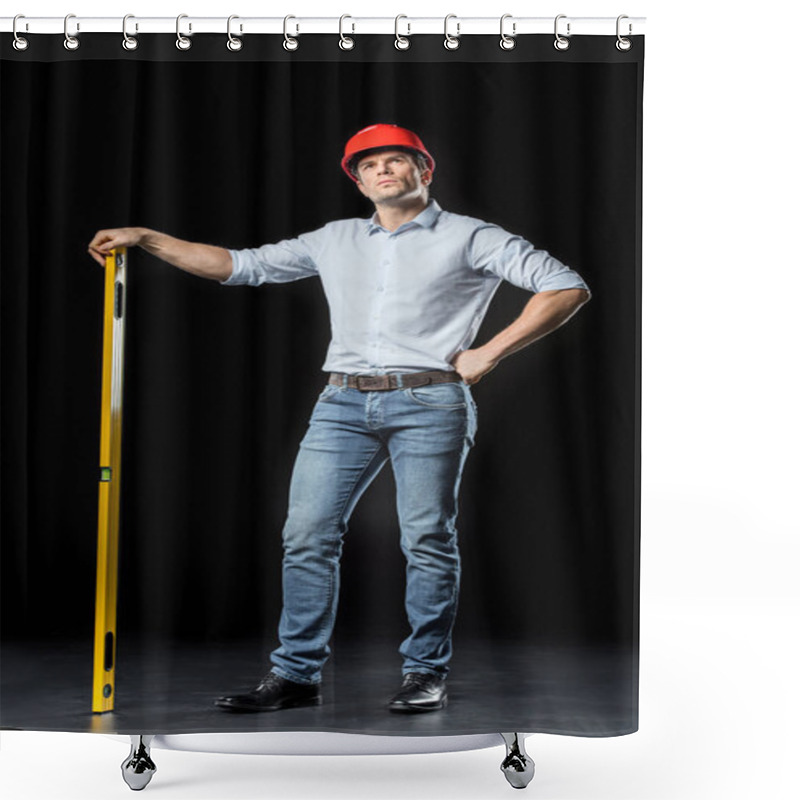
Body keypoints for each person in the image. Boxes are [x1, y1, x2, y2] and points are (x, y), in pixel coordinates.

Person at [88, 123, 590, 715]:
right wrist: (148, 238)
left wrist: (488, 352)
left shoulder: (470, 236)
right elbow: (238, 265)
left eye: (395, 160)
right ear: (358, 182)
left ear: (423, 171)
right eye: (368, 164)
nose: (381, 170)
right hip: (342, 405)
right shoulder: (335, 239)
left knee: (427, 538)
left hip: (430, 401)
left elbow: (565, 286)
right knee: (306, 535)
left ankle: (425, 672)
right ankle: (296, 676)